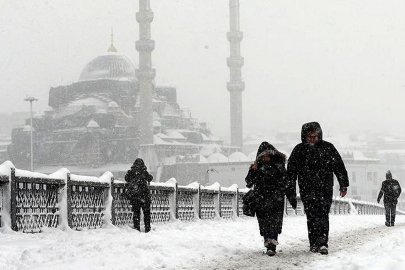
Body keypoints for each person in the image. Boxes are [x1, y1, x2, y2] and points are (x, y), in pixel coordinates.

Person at [286, 122, 349, 255]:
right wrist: (290, 191)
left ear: (319, 135)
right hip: (307, 189)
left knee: (323, 215)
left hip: (325, 189)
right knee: (311, 216)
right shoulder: (299, 150)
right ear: (304, 137)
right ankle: (313, 243)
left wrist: (343, 184)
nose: (312, 139)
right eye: (310, 137)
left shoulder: (328, 148)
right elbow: (291, 172)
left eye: (315, 136)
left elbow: (339, 166)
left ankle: (322, 243)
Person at [245, 142, 297, 256]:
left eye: (267, 155)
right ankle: (268, 242)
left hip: (276, 199)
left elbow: (286, 183)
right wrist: (253, 170)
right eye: (263, 156)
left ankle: (272, 244)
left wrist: (291, 197)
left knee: (274, 222)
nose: (266, 158)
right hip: (261, 199)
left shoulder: (279, 167)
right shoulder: (257, 168)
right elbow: (249, 183)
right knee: (264, 222)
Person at [125, 158, 153, 232]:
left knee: (136, 213)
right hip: (144, 195)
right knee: (146, 213)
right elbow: (150, 178)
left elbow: (126, 178)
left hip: (135, 196)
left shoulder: (131, 172)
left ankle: (137, 228)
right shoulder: (144, 172)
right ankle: (147, 228)